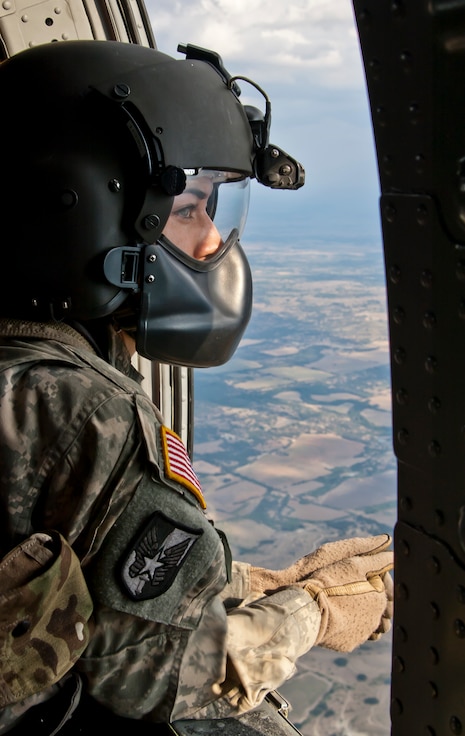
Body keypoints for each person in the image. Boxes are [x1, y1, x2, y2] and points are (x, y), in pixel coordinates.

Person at [0, 39, 394, 734]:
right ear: (82, 214)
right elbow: (172, 676)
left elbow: (94, 576)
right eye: (188, 208)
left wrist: (262, 584)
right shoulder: (84, 412)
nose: (212, 242)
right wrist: (319, 610)